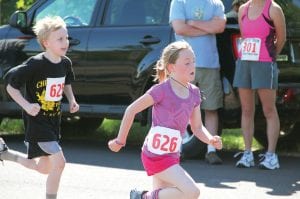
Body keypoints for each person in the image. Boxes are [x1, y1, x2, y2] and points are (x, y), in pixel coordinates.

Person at [108, 41, 222, 199]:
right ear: (171, 67)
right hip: (154, 154)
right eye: (187, 63)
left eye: (194, 61)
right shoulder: (161, 90)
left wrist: (211, 139)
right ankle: (143, 196)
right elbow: (131, 110)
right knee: (192, 192)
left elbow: (197, 127)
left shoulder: (194, 93)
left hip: (172, 154)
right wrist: (120, 141)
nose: (192, 66)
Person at [0, 16, 79, 199]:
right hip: (37, 122)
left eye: (66, 38)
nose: (65, 42)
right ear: (46, 42)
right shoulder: (35, 64)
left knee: (44, 168)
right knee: (60, 163)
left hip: (53, 121)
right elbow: (11, 86)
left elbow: (66, 83)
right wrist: (27, 106)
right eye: (59, 39)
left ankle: (6, 154)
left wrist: (72, 100)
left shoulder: (65, 62)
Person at [169, 0, 226, 164]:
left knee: (211, 108)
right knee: (179, 108)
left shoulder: (216, 3)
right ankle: (177, 149)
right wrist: (208, 27)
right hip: (183, 63)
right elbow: (179, 28)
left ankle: (212, 150)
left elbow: (220, 27)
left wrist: (192, 23)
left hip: (209, 64)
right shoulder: (179, 2)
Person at [233, 0, 286, 169]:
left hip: (264, 64)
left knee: (268, 110)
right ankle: (247, 154)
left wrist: (269, 58)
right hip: (244, 63)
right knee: (247, 110)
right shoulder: (243, 9)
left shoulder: (274, 9)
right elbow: (244, 36)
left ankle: (271, 156)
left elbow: (282, 38)